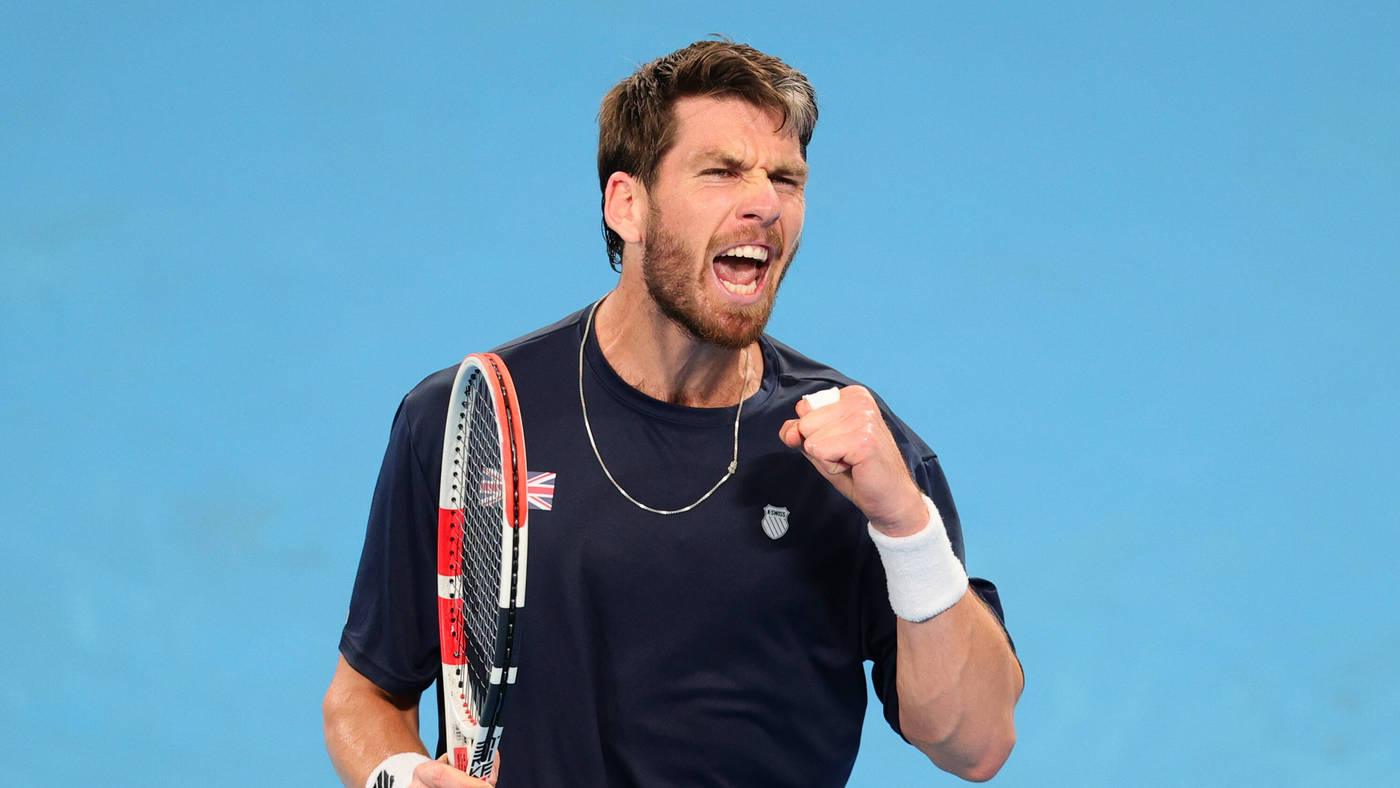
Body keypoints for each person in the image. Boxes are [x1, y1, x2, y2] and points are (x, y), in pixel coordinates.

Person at [323, 39, 1022, 788]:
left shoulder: (861, 453)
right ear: (627, 204)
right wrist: (396, 777)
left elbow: (977, 744)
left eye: (786, 178)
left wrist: (904, 525)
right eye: (721, 172)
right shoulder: (470, 422)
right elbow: (365, 696)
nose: (765, 204)